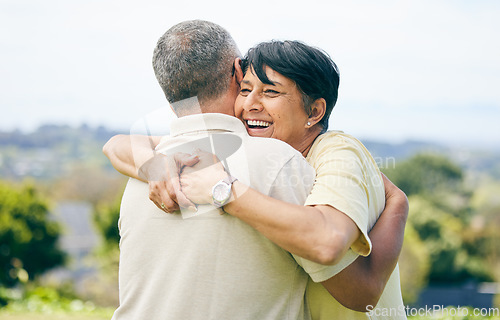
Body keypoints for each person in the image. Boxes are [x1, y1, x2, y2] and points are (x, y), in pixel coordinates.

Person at [104, 20, 408, 320]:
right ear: (236, 75)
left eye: (271, 93)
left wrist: (223, 190)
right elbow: (119, 144)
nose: (250, 104)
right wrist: (153, 166)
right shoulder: (187, 158)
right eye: (245, 89)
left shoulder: (335, 152)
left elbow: (355, 281)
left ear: (315, 111)